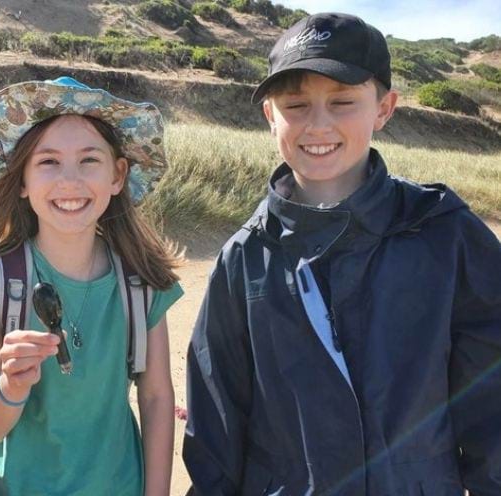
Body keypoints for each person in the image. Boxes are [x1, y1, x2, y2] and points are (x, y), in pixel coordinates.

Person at [183, 12, 501, 495]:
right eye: (296, 104)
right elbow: (215, 429)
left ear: (385, 108)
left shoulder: (445, 234)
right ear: (271, 116)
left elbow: (491, 400)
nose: (318, 124)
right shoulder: (244, 258)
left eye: (343, 101)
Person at [0, 76, 184, 495]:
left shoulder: (141, 283)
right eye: (48, 162)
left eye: (89, 160)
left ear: (118, 174)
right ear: (21, 180)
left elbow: (158, 398)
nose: (69, 181)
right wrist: (11, 385)